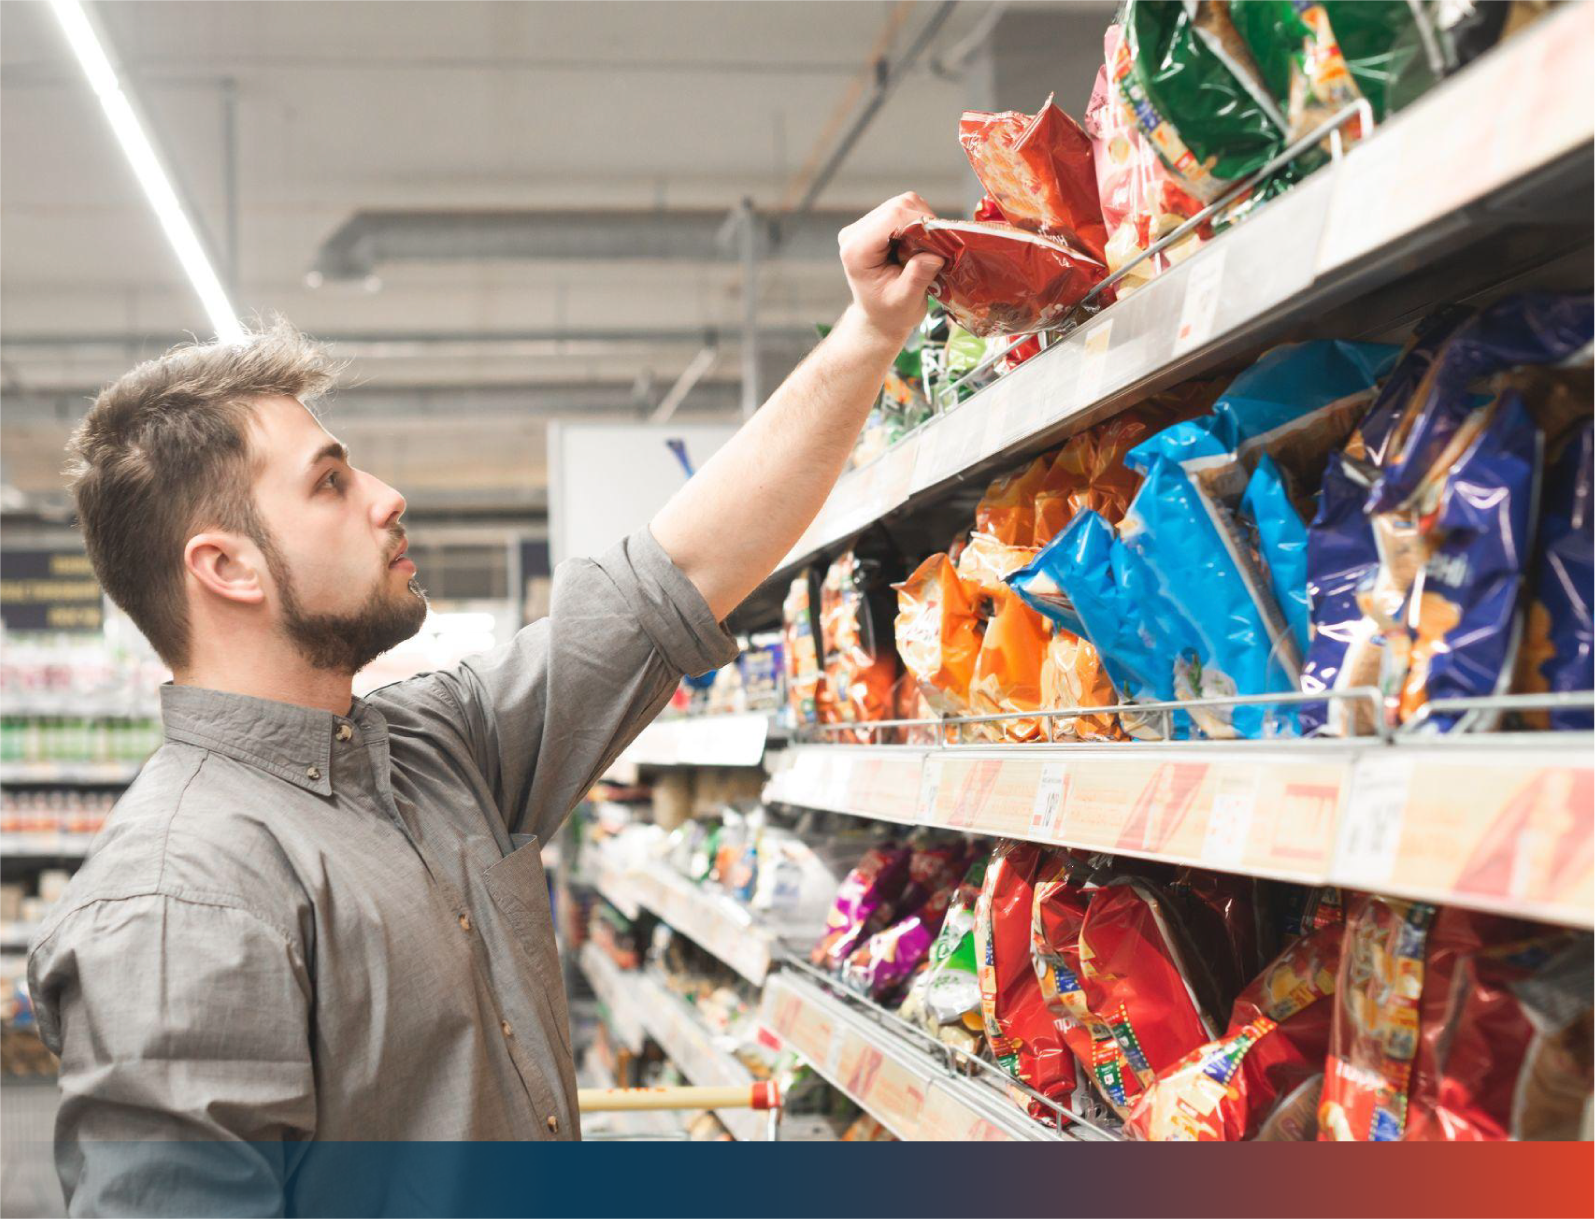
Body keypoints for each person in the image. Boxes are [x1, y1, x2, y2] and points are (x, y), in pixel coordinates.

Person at [26, 194, 942, 1213]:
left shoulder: (435, 747)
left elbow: (676, 570)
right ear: (227, 567)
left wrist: (868, 332)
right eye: (330, 483)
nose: (386, 495)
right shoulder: (179, 899)